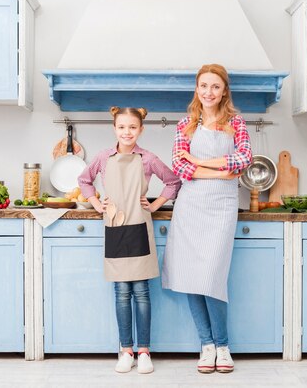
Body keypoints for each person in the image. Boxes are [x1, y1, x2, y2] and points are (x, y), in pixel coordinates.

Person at [161, 64, 252, 374]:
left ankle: (223, 345)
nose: (209, 92)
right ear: (197, 89)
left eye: (215, 86)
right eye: (204, 86)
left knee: (212, 276)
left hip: (222, 207)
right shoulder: (185, 124)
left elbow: (242, 161)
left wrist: (199, 161)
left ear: (224, 90)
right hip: (191, 206)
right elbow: (179, 166)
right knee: (190, 276)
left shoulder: (236, 123)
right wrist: (219, 170)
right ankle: (207, 345)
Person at [78, 106, 181, 374]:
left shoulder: (147, 159)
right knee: (122, 292)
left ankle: (144, 351)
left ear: (141, 130)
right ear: (114, 129)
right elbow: (84, 180)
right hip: (115, 225)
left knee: (142, 292)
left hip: (139, 225)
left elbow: (173, 181)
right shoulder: (103, 157)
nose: (127, 132)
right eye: (122, 127)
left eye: (132, 127)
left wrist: (156, 203)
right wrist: (95, 202)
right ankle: (126, 350)